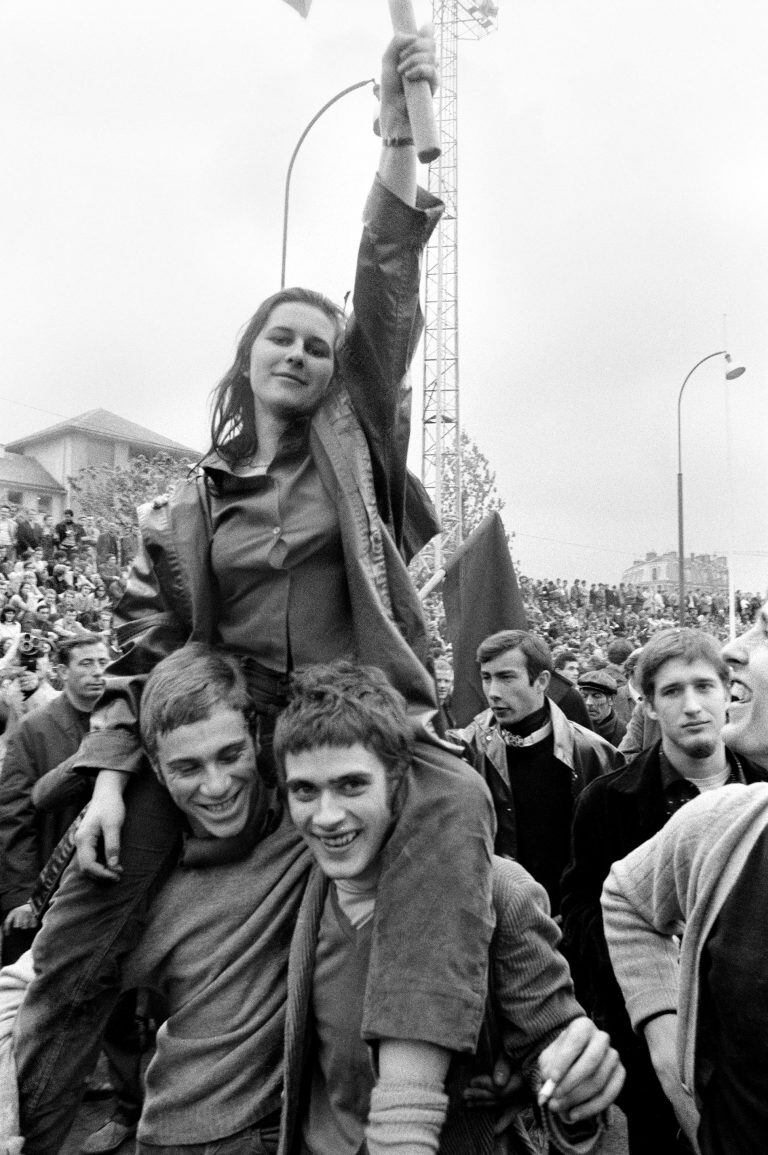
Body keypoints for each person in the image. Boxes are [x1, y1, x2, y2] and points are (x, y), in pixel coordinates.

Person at [14, 29, 496, 1155]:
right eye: (280, 336)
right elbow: (144, 656)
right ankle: (51, 1127)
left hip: (355, 720)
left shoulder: (356, 438)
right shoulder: (180, 508)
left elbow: (383, 288)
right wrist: (111, 779)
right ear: (247, 361)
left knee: (462, 807)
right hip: (229, 731)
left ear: (341, 378)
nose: (302, 351)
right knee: (85, 913)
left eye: (319, 344)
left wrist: (393, 137)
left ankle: (410, 1115)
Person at [274, 662, 625, 1155]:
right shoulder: (299, 890)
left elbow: (553, 1056)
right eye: (305, 791)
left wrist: (575, 1085)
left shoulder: (499, 891)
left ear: (397, 781)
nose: (327, 816)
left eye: (352, 785)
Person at [561, 627, 768, 1155]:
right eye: (672, 691)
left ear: (729, 693)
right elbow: (588, 907)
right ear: (648, 705)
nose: (693, 705)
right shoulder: (605, 801)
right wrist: (651, 996)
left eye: (705, 687)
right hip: (649, 1047)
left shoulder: (758, 795)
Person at [450, 629, 621, 915]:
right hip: (495, 921)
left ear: (541, 681)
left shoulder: (595, 754)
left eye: (506, 677)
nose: (493, 692)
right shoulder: (464, 752)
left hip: (571, 927)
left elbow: (614, 857)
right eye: (486, 677)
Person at [576, 670, 626, 747]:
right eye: (584, 696)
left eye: (596, 696)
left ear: (611, 699)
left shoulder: (625, 733)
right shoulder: (573, 728)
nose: (588, 702)